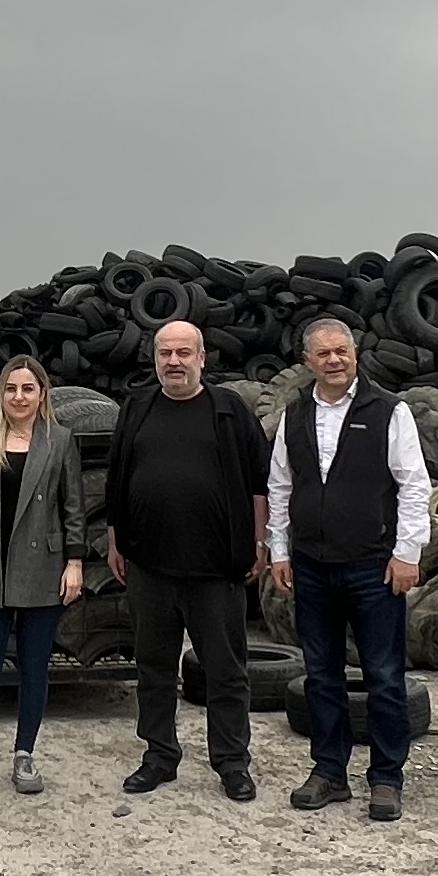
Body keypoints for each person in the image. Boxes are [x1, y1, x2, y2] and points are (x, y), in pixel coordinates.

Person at [267, 313, 430, 820]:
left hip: (373, 567)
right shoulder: (294, 415)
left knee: (383, 676)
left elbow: (414, 484)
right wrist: (279, 550)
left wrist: (408, 553)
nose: (334, 360)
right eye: (324, 353)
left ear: (355, 354)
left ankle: (386, 779)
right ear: (307, 361)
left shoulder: (389, 411)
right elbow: (280, 486)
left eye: (342, 351)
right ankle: (329, 773)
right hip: (312, 566)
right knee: (321, 675)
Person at [99, 315, 269, 799]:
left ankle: (232, 762)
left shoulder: (229, 410)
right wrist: (114, 540)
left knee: (226, 672)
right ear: (155, 359)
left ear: (202, 359)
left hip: (216, 570)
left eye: (183, 353)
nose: (174, 362)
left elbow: (259, 484)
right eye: (165, 353)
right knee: (153, 670)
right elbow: (116, 478)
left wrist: (260, 544)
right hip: (149, 568)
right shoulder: (137, 409)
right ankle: (159, 756)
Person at [0, 354, 87, 800]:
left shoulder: (60, 440)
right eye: (10, 388)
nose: (19, 397)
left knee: (34, 666)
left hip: (43, 568)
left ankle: (25, 754)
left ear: (42, 394)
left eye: (27, 389)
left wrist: (75, 562)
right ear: (0, 394)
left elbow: (73, 507)